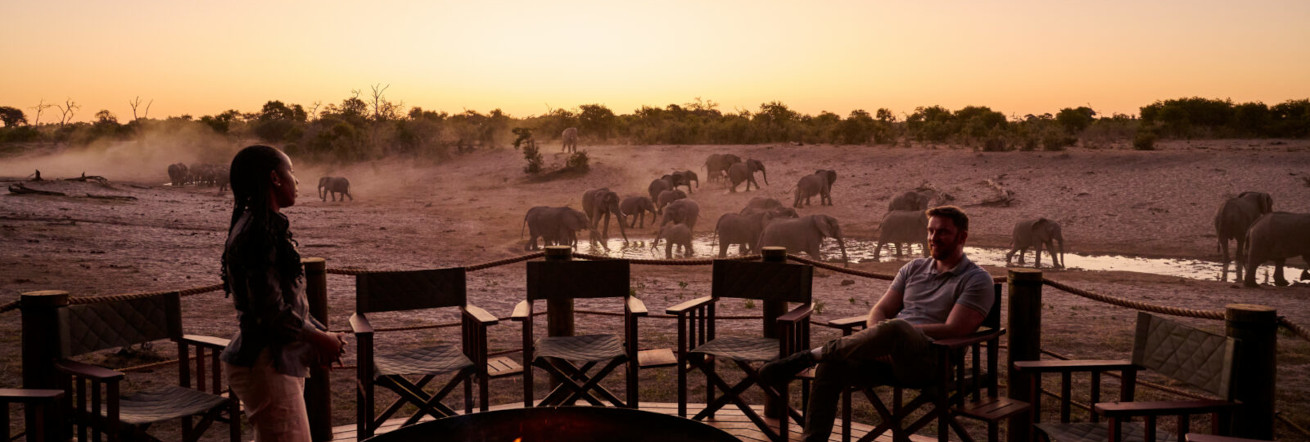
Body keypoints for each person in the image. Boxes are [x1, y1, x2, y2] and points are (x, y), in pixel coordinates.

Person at [759, 205, 994, 442]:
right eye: (930, 231)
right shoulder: (913, 268)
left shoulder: (976, 279)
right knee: (831, 367)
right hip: (888, 355)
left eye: (942, 232)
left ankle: (807, 357)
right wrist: (878, 339)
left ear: (962, 237)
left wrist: (894, 335)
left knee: (896, 327)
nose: (934, 238)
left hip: (931, 363)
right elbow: (880, 310)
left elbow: (955, 329)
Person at [220, 145, 346, 441]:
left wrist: (320, 336)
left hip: (274, 360)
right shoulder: (257, 234)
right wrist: (321, 339)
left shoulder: (261, 226)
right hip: (267, 363)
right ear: (275, 178)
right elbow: (271, 312)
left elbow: (287, 303)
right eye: (292, 172)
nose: (297, 181)